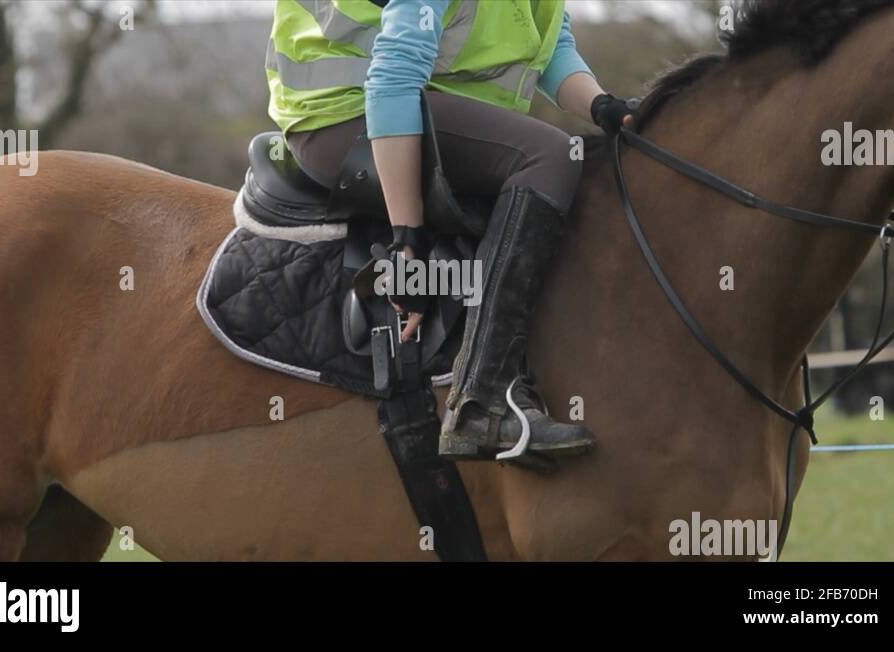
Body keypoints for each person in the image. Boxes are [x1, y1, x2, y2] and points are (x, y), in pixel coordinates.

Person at [267, 0, 633, 462]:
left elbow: (552, 50)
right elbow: (393, 80)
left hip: (412, 103)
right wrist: (406, 237)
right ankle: (482, 404)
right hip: (348, 113)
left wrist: (601, 104)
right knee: (549, 156)